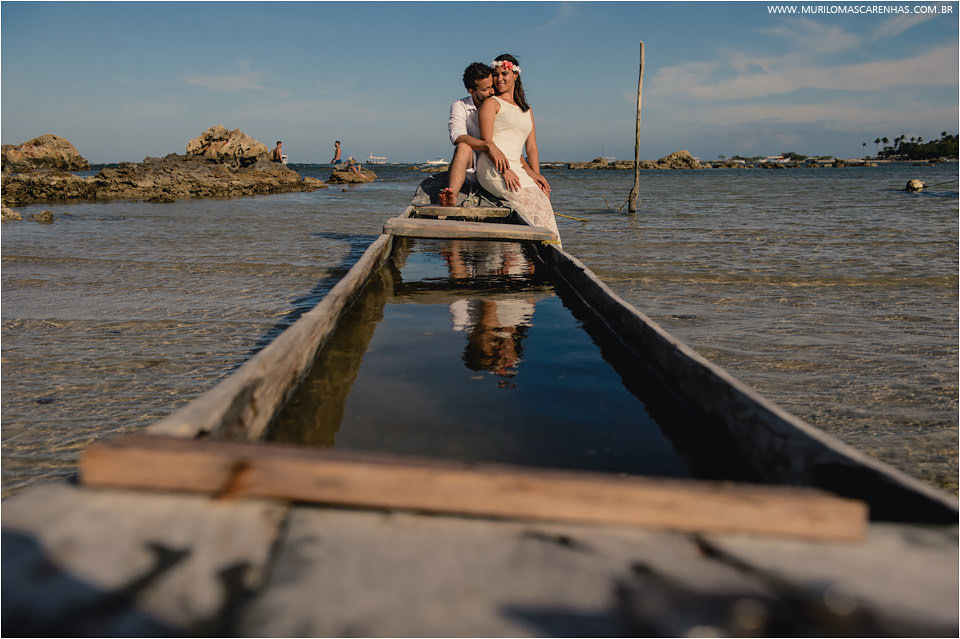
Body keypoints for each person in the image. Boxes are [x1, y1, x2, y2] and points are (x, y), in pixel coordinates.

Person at [475, 54, 559, 243]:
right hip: (493, 167)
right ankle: (538, 247)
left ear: (515, 75)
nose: (499, 79)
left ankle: (553, 251)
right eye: (495, 75)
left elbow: (531, 148)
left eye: (504, 74)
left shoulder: (526, 110)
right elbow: (487, 142)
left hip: (518, 167)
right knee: (528, 204)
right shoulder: (491, 104)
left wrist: (536, 176)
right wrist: (505, 171)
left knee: (543, 201)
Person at [439, 63, 503, 207]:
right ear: (471, 91)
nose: (492, 91)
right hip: (472, 164)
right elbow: (458, 136)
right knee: (463, 146)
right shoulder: (460, 105)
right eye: (486, 89)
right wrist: (487, 145)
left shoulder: (500, 103)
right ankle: (451, 197)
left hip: (497, 163)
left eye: (492, 86)